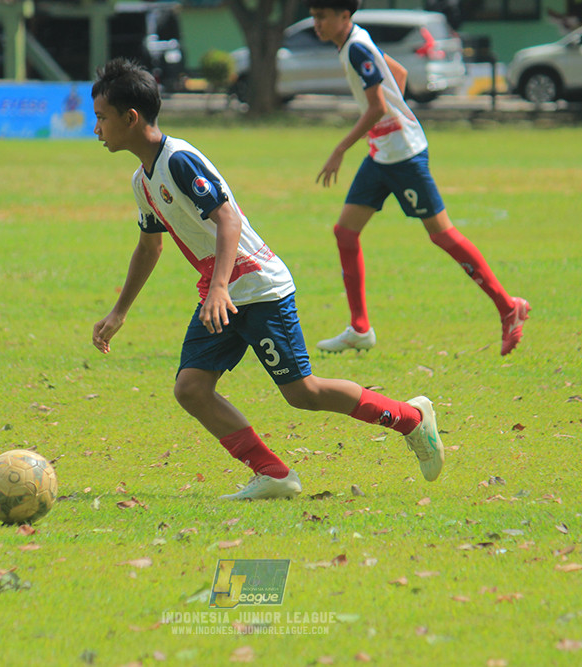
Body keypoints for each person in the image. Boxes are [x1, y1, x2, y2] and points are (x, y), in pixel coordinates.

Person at [90, 58, 445, 500]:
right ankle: (273, 473)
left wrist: (219, 287)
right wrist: (119, 312)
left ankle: (411, 418)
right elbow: (149, 247)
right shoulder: (142, 183)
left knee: (303, 393)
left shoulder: (179, 160)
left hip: (257, 287)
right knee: (192, 389)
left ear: (130, 118)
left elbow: (228, 219)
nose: (96, 129)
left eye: (102, 118)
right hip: (221, 294)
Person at [307, 0, 529, 355]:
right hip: (383, 152)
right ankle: (360, 329)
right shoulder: (355, 42)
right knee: (345, 232)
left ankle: (508, 307)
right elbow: (398, 74)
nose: (316, 23)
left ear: (344, 16)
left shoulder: (357, 48)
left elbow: (378, 106)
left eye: (322, 17)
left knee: (442, 234)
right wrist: (392, 119)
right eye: (314, 16)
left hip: (403, 155)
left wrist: (340, 149)